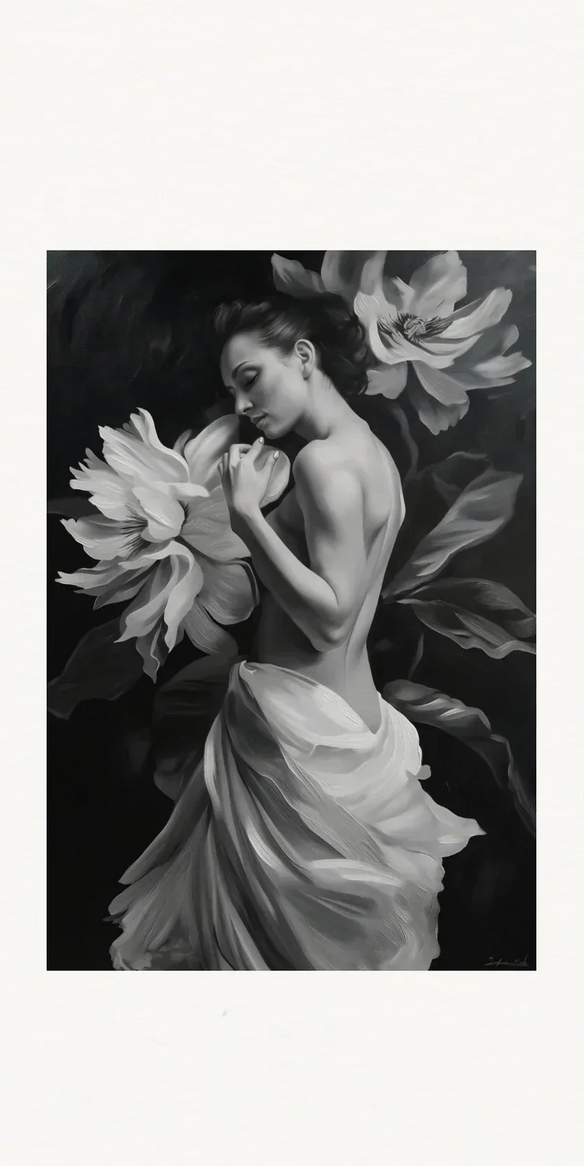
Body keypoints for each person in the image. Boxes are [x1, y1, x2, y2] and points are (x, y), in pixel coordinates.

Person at [107, 291, 481, 969]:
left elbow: (331, 617)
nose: (242, 405)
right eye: (231, 390)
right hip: (346, 723)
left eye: (250, 379)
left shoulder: (322, 464)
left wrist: (249, 517)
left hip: (298, 736)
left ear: (303, 357)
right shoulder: (369, 456)